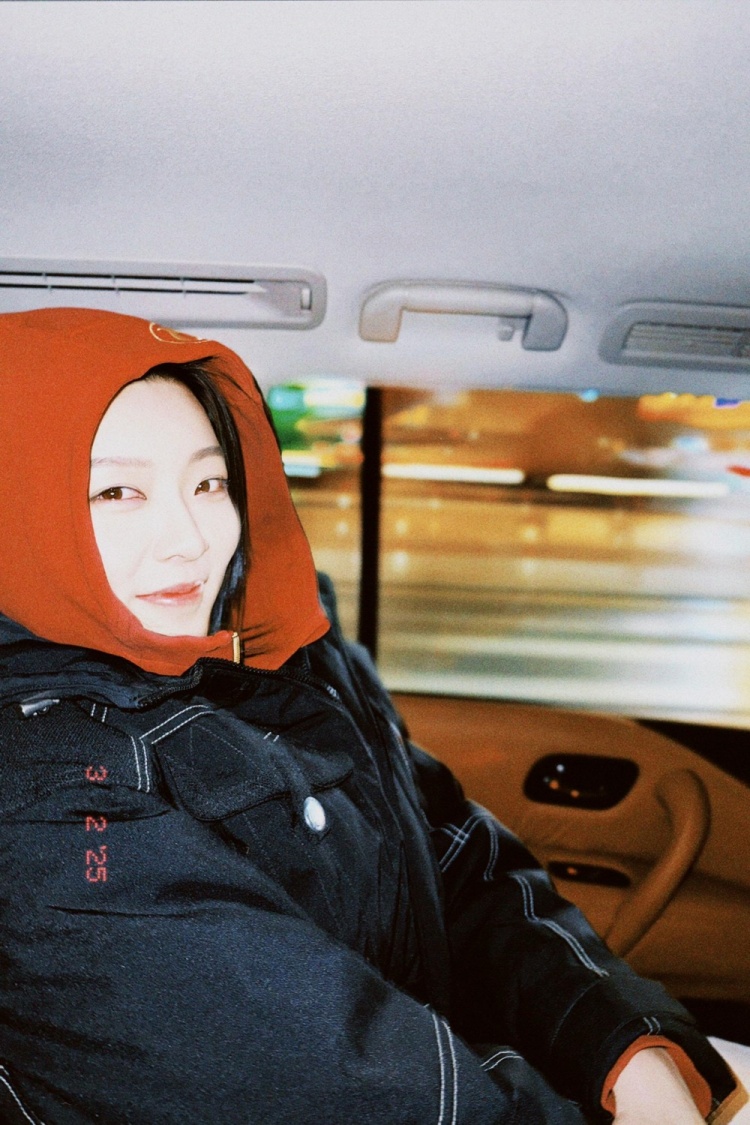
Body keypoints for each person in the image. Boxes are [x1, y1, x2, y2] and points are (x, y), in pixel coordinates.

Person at [0, 306, 744, 1124]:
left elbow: (452, 855)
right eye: (117, 490)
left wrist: (627, 1048)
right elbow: (339, 1087)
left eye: (210, 482)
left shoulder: (281, 649)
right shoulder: (49, 804)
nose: (191, 538)